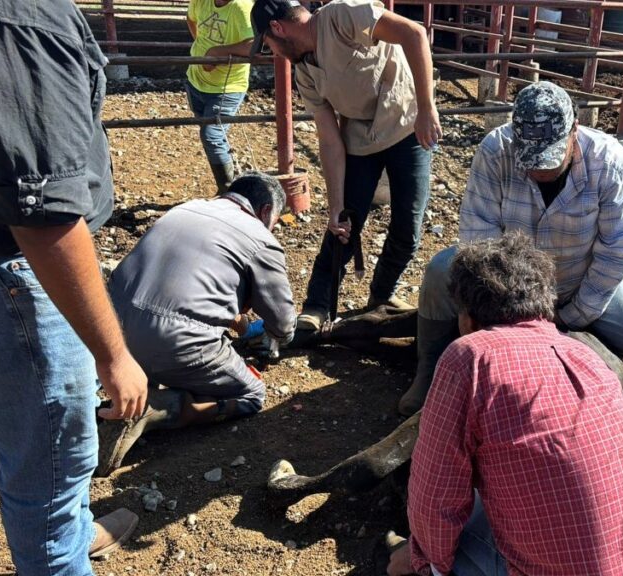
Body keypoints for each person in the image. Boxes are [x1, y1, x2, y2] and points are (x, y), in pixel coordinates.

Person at [0, 1, 147, 572]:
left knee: (45, 456)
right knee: (50, 465)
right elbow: (41, 212)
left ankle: (71, 538)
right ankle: (58, 551)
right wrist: (114, 353)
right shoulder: (10, 18)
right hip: (2, 272)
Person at [386, 233, 623, 576]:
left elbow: (437, 490)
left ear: (467, 319)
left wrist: (423, 560)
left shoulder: (471, 355)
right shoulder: (584, 355)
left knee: (448, 538)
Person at [397, 81, 623, 416]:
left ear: (574, 131)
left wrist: (569, 318)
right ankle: (429, 368)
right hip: (507, 284)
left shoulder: (610, 163)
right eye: (531, 159)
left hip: (576, 278)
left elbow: (617, 251)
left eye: (549, 159)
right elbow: (479, 240)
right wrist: (505, 313)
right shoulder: (496, 150)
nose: (539, 169)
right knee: (440, 270)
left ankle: (574, 346)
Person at [251, 0, 442, 330]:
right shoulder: (305, 72)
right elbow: (328, 138)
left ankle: (382, 295)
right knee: (343, 222)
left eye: (269, 45)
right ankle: (317, 305)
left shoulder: (342, 15)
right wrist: (335, 205)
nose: (274, 53)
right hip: (359, 136)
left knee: (407, 226)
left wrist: (426, 108)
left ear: (278, 29)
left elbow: (414, 34)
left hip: (407, 124)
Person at [99, 173, 296, 476]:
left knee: (162, 344)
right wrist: (271, 332)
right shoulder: (259, 238)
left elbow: (183, 287)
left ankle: (134, 388)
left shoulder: (185, 209)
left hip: (111, 332)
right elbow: (283, 324)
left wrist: (241, 325)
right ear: (267, 211)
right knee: (252, 395)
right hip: (174, 341)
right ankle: (157, 409)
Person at [187, 0, 256, 193]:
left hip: (227, 86)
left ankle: (228, 190)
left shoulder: (241, 7)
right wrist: (200, 46)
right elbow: (191, 19)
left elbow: (254, 45)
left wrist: (216, 53)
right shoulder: (201, 1)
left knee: (212, 136)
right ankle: (228, 181)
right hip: (195, 80)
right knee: (211, 134)